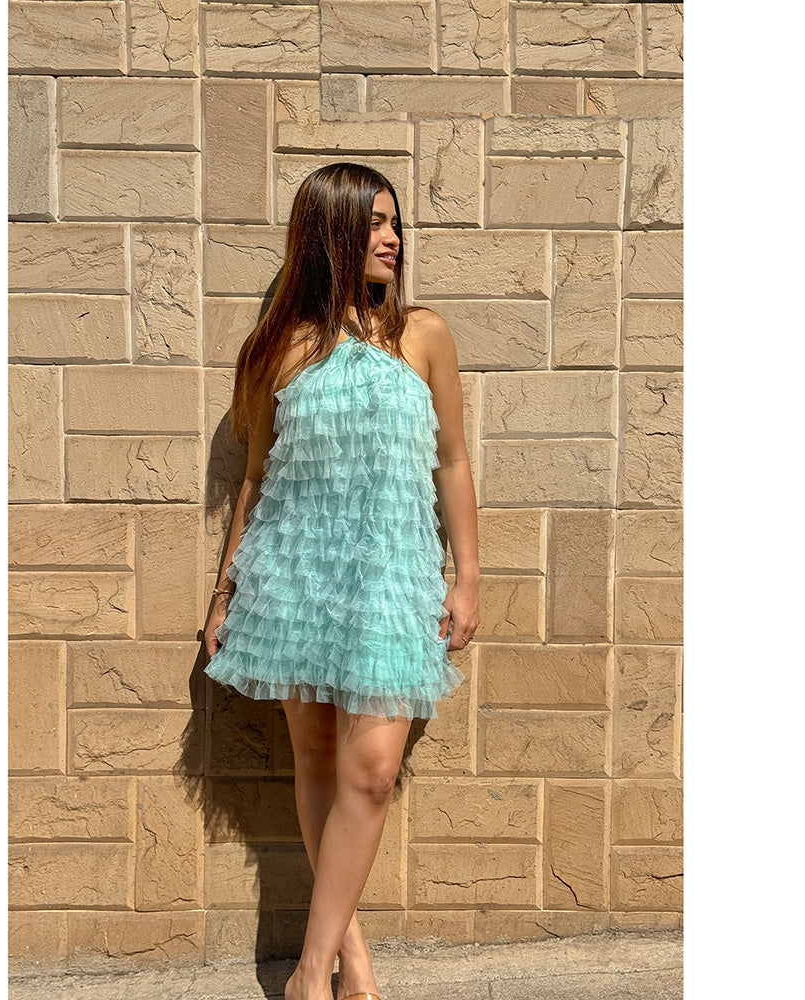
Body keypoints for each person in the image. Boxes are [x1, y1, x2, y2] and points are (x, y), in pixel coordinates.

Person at [203, 162, 480, 1000]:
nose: (393, 238)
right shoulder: (281, 349)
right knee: (318, 759)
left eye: (396, 223)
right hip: (293, 577)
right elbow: (257, 479)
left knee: (372, 772)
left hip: (392, 582)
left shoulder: (424, 336)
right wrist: (225, 593)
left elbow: (452, 461)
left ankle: (306, 974)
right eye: (375, 224)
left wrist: (469, 576)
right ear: (331, 236)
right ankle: (346, 960)